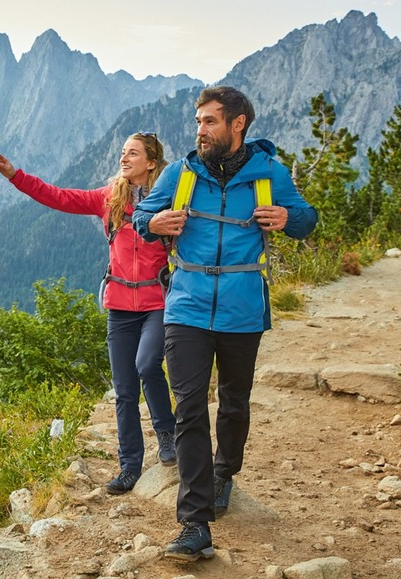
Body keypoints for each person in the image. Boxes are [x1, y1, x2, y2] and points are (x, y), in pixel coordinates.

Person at [133, 86, 318, 561]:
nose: (201, 130)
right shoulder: (180, 172)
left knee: (234, 403)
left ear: (238, 125)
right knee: (190, 407)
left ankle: (223, 472)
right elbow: (141, 215)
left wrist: (287, 217)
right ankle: (194, 524)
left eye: (211, 121)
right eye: (198, 121)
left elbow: (305, 218)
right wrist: (152, 225)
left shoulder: (269, 173)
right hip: (187, 307)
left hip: (242, 310)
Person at [0, 132, 177, 495]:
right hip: (120, 306)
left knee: (147, 364)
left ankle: (167, 435)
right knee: (124, 390)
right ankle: (129, 467)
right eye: (123, 152)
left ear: (152, 163)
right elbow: (58, 197)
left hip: (157, 302)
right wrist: (16, 176)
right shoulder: (109, 199)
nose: (124, 158)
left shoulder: (168, 200)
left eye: (133, 153)